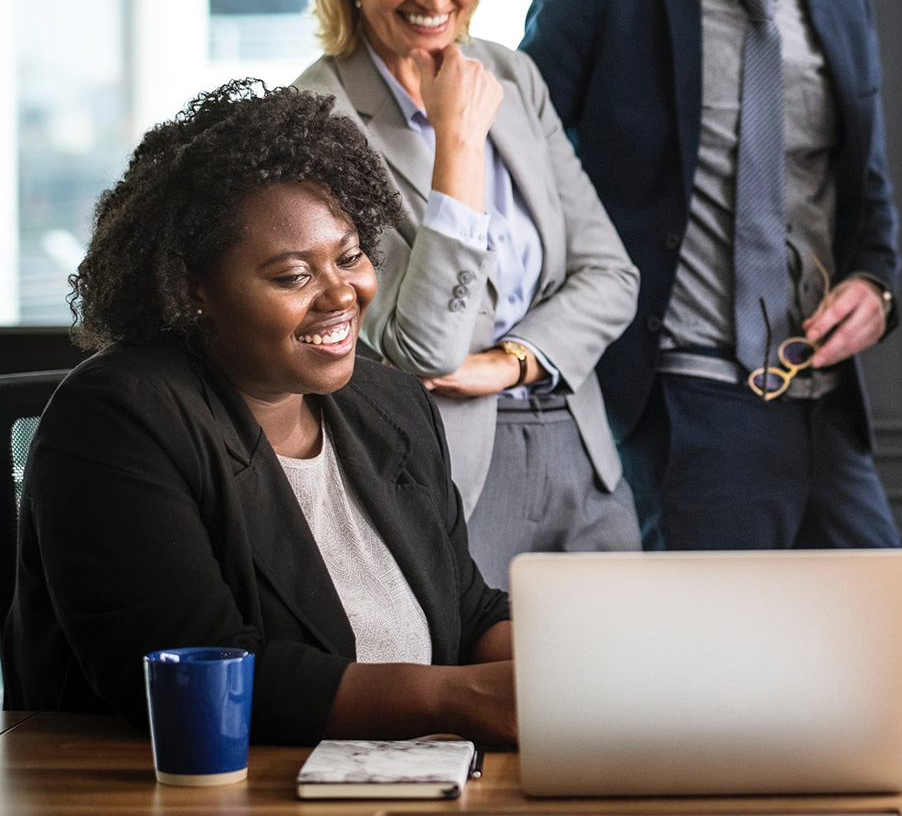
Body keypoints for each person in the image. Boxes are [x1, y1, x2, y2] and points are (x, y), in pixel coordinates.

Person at [2, 81, 517, 747]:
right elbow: (195, 667)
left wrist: (572, 658)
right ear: (196, 290)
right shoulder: (118, 419)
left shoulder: (388, 404)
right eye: (291, 276)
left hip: (395, 779)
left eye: (349, 255)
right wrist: (457, 699)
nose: (341, 293)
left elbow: (466, 611)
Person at [523, 0, 902, 706]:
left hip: (824, 408)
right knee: (711, 694)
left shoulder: (841, 1)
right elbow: (515, 165)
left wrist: (876, 287)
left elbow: (869, 195)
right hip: (685, 403)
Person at [294, 0, 643, 590]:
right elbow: (422, 347)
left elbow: (612, 275)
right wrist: (456, 143)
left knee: (620, 681)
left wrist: (512, 362)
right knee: (481, 687)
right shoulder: (316, 115)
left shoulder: (511, 75)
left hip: (579, 442)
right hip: (450, 464)